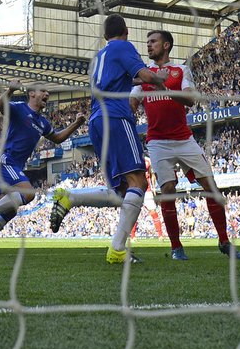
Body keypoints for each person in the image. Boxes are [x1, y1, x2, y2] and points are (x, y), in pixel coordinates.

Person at [48, 13, 167, 264]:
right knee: (138, 182)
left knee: (121, 191)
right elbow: (146, 76)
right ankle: (117, 249)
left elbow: (123, 79)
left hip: (96, 121)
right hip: (116, 117)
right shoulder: (123, 47)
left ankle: (71, 198)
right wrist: (161, 79)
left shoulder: (99, 57)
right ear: (126, 31)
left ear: (104, 35)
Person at [130, 29, 240, 260]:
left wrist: (164, 88)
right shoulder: (144, 75)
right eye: (147, 42)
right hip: (158, 142)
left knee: (211, 187)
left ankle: (223, 241)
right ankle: (176, 247)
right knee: (168, 192)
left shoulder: (180, 70)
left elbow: (191, 99)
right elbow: (132, 103)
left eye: (153, 42)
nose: (149, 46)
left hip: (184, 139)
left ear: (167, 45)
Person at [0, 82, 85, 256]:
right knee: (29, 193)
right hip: (5, 160)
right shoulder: (20, 109)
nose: (47, 94)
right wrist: (11, 90)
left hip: (12, 165)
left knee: (9, 212)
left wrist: (77, 124)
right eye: (43, 91)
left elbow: (57, 138)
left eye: (48, 91)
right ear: (32, 94)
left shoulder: (42, 122)